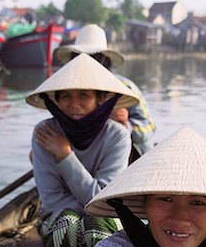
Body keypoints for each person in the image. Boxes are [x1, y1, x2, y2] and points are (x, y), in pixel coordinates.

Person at [26, 53, 140, 247]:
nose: (73, 104)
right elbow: (52, 200)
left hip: (104, 217)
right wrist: (83, 210)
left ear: (99, 100)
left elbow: (104, 199)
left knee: (95, 224)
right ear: (55, 101)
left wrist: (65, 155)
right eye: (65, 96)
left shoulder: (117, 136)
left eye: (83, 96)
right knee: (67, 223)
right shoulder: (45, 132)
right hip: (57, 218)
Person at [54, 24, 156, 158]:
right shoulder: (65, 90)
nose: (88, 64)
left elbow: (149, 128)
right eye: (81, 58)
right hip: (85, 158)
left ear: (104, 60)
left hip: (129, 158)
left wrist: (127, 125)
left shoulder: (125, 87)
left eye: (93, 58)